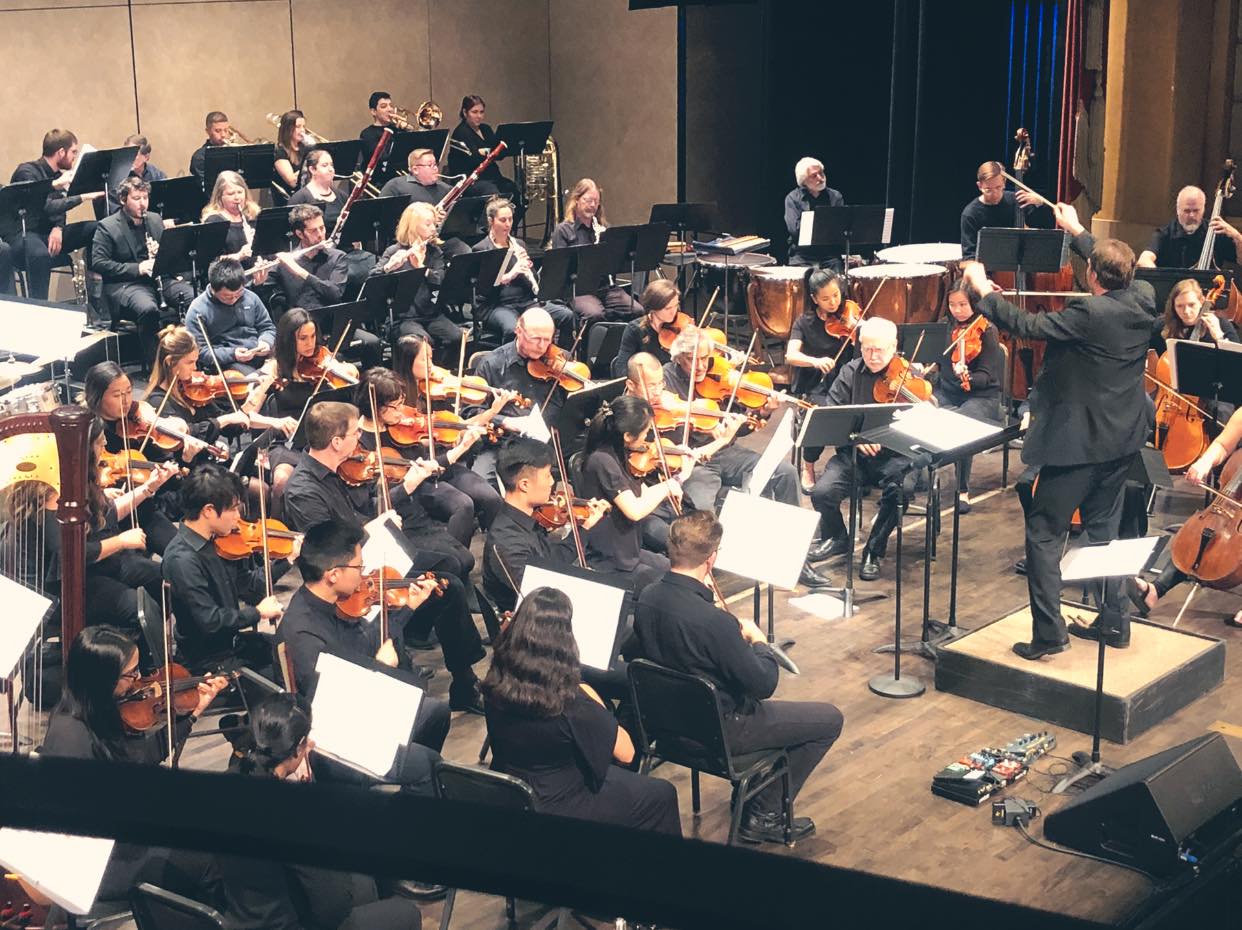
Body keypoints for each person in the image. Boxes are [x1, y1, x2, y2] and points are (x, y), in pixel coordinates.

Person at [962, 201, 1155, 658]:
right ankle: (1114, 624)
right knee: (1103, 533)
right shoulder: (1143, 296)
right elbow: (1110, 266)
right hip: (1122, 442)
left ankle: (1049, 634)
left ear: (1092, 278)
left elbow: (1025, 324)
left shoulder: (1089, 316)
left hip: (1078, 446)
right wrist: (1077, 231)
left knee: (1045, 534)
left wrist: (983, 293)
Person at [633, 510, 843, 845]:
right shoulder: (714, 622)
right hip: (720, 732)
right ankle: (763, 813)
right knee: (829, 720)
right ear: (711, 558)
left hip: (666, 728)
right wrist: (759, 642)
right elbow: (763, 685)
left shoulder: (647, 598)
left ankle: (758, 795)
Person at [279, 401, 487, 712]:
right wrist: (369, 529)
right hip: (344, 580)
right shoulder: (303, 490)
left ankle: (462, 679)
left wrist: (402, 489)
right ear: (336, 442)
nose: (360, 439)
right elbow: (326, 549)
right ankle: (408, 659)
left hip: (368, 560)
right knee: (447, 582)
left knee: (448, 580)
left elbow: (369, 507)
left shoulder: (342, 470)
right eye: (354, 433)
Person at [41, 626, 226, 902]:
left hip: (119, 834)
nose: (141, 680)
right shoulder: (73, 740)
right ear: (104, 679)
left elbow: (138, 757)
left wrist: (194, 712)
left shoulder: (95, 710)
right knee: (207, 859)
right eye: (132, 674)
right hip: (98, 863)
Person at [217, 692, 431, 928]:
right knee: (404, 912)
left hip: (244, 915)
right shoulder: (295, 813)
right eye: (306, 741)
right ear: (297, 749)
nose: (311, 745)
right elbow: (333, 908)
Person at [483, 586, 681, 835]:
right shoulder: (570, 703)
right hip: (562, 804)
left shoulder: (495, 682)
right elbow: (627, 753)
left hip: (512, 792)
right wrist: (584, 688)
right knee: (661, 794)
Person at [660, 331, 824, 588]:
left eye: (706, 358)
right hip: (692, 462)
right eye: (693, 360)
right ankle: (702, 580)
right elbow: (664, 425)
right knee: (704, 516)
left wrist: (762, 412)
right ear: (680, 357)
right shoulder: (667, 378)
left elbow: (744, 426)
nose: (702, 366)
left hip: (727, 454)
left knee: (786, 472)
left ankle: (796, 558)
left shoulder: (718, 376)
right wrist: (697, 424)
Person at [276, 518, 451, 753]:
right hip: (339, 729)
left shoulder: (333, 603)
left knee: (433, 710)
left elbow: (366, 641)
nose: (363, 575)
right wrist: (380, 669)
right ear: (334, 574)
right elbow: (332, 702)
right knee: (431, 722)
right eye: (359, 567)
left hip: (360, 704)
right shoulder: (305, 633)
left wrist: (408, 607)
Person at [807, 317, 917, 577]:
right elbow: (831, 415)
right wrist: (857, 439)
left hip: (895, 457)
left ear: (893, 347)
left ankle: (874, 550)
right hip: (854, 455)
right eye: (867, 348)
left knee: (900, 491)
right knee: (821, 493)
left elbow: (918, 426)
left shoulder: (909, 377)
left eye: (879, 350)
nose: (873, 356)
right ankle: (837, 537)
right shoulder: (850, 372)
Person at [162, 465, 288, 671]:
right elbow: (210, 621)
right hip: (210, 662)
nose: (238, 517)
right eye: (233, 508)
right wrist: (257, 613)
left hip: (233, 643)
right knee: (285, 681)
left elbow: (252, 586)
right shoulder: (182, 561)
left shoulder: (220, 542)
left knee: (291, 651)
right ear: (209, 511)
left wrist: (287, 559)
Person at [353, 366, 493, 550]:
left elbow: (426, 461)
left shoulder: (399, 425)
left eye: (402, 402)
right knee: (463, 505)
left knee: (487, 498)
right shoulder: (359, 440)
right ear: (377, 407)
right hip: (403, 492)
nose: (401, 411)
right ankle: (451, 554)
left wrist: (456, 444)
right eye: (395, 406)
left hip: (425, 476)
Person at [389, 336, 509, 539]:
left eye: (431, 358)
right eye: (424, 359)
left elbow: (459, 426)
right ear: (408, 361)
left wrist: (492, 412)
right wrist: (433, 437)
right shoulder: (394, 399)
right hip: (420, 473)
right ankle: (456, 558)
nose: (431, 365)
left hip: (447, 463)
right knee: (463, 506)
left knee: (491, 498)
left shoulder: (436, 392)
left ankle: (497, 555)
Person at [83, 360, 204, 553]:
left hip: (144, 508)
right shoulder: (88, 432)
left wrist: (184, 461)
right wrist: (101, 494)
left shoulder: (137, 426)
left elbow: (165, 472)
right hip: (108, 517)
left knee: (183, 552)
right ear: (97, 397)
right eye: (117, 395)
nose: (126, 400)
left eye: (129, 392)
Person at [483, 435, 612, 612]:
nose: (552, 482)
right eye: (547, 475)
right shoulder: (508, 543)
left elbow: (552, 560)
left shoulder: (528, 519)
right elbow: (540, 598)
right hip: (536, 622)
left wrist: (584, 528)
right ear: (524, 485)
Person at [575, 395, 685, 592]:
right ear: (627, 436)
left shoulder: (621, 454)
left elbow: (642, 495)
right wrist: (667, 486)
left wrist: (679, 477)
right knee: (676, 586)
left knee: (684, 572)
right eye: (645, 432)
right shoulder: (602, 461)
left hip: (629, 551)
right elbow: (634, 510)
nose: (648, 438)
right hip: (610, 560)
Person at [91, 176, 194, 364]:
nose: (142, 204)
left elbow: (169, 254)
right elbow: (99, 263)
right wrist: (137, 268)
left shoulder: (154, 219)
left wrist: (161, 254)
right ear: (123, 200)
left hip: (158, 279)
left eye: (145, 198)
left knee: (192, 297)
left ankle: (188, 356)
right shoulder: (107, 226)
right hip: (126, 284)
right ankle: (154, 366)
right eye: (136, 199)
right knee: (148, 309)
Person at [1, 129, 104, 300]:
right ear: (61, 152)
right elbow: (45, 207)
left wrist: (58, 227)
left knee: (97, 228)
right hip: (23, 234)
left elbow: (59, 209)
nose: (74, 157)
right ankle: (40, 305)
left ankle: (96, 288)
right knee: (40, 254)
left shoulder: (60, 176)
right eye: (73, 152)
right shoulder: (27, 172)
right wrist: (82, 197)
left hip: (49, 234)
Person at [931, 281, 1005, 513]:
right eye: (952, 304)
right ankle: (922, 478)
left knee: (960, 424)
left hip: (982, 397)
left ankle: (962, 489)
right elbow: (938, 364)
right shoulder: (944, 327)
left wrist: (968, 376)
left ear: (974, 303)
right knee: (919, 414)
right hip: (948, 393)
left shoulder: (987, 330)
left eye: (963, 304)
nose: (957, 310)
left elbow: (986, 377)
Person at [786, 268, 854, 490]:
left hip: (846, 383)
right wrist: (815, 361)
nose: (833, 302)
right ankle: (808, 466)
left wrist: (860, 331)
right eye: (826, 298)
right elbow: (791, 355)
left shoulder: (850, 315)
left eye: (836, 295)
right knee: (822, 413)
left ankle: (850, 466)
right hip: (817, 386)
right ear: (815, 299)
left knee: (858, 411)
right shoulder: (804, 322)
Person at [472, 197, 573, 343]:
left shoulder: (519, 244)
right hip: (497, 305)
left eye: (510, 219)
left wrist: (528, 269)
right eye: (503, 220)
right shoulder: (482, 249)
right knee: (512, 329)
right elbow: (484, 290)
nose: (508, 224)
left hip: (525, 302)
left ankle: (561, 358)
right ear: (491, 221)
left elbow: (534, 283)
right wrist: (511, 274)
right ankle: (512, 363)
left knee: (566, 315)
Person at [373, 201, 461, 357]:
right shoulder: (394, 251)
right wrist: (390, 267)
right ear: (413, 226)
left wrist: (421, 267)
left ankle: (442, 372)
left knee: (457, 337)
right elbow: (372, 281)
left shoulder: (434, 252)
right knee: (423, 343)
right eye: (428, 224)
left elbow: (441, 280)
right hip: (403, 318)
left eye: (434, 224)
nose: (434, 228)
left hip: (431, 314)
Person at [549, 178, 643, 323]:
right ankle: (590, 345)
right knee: (595, 314)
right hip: (578, 290)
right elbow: (560, 270)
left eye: (596, 201)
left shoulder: (602, 228)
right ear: (577, 200)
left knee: (637, 310)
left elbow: (614, 264)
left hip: (605, 287)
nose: (592, 205)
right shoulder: (563, 230)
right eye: (588, 200)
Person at [185, 257, 277, 375]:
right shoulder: (197, 310)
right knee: (257, 379)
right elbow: (201, 352)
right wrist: (233, 354)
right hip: (229, 361)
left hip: (258, 350)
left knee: (288, 364)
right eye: (227, 296)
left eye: (238, 294)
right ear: (213, 289)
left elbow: (267, 327)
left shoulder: (250, 297)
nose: (234, 299)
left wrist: (266, 341)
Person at [959, 160, 1048, 260]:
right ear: (979, 186)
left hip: (1024, 264)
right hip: (988, 271)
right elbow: (969, 255)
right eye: (988, 189)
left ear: (1004, 182)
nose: (995, 193)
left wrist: (1040, 203)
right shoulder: (970, 214)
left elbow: (1046, 224)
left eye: (998, 187)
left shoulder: (1017, 200)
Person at [1138, 185, 1242, 269]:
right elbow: (1144, 260)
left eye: (1196, 210)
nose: (1191, 215)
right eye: (1187, 211)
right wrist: (1160, 278)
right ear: (1178, 210)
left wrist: (1236, 236)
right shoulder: (1165, 233)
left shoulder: (1216, 231)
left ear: (1203, 209)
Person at [273, 204, 348, 312]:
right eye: (313, 231)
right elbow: (263, 292)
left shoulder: (337, 257)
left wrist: (302, 273)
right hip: (299, 324)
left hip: (328, 320)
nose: (320, 234)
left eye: (322, 228)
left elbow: (335, 294)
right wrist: (259, 281)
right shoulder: (287, 261)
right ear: (300, 234)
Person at [447, 94, 518, 200]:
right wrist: (489, 152)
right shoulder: (460, 132)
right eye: (474, 112)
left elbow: (498, 155)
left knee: (513, 190)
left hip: (491, 176)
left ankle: (510, 217)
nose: (479, 116)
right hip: (471, 180)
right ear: (465, 113)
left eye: (481, 112)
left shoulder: (486, 129)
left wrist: (492, 151)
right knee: (492, 193)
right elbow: (473, 158)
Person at [201, 170, 265, 276]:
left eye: (240, 192)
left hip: (257, 274)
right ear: (220, 197)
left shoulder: (253, 215)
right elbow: (212, 262)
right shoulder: (214, 221)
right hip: (230, 279)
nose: (237, 198)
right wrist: (239, 256)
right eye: (231, 194)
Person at [784, 157, 844, 267]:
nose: (820, 178)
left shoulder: (835, 196)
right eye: (814, 175)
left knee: (837, 280)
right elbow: (795, 230)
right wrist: (823, 222)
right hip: (802, 254)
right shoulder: (792, 198)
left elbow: (839, 228)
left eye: (821, 173)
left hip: (829, 254)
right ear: (803, 181)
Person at [615, 279, 684, 375]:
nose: (674, 312)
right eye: (668, 308)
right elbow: (621, 368)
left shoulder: (682, 325)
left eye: (676, 305)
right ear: (653, 308)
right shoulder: (635, 329)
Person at [272, 109, 313, 199]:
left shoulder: (305, 148)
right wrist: (311, 171)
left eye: (303, 126)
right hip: (291, 198)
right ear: (288, 129)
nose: (302, 130)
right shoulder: (280, 152)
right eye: (298, 126)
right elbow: (292, 182)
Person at [360, 91, 405, 168]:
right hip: (380, 176)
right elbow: (382, 157)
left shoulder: (398, 129)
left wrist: (406, 129)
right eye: (384, 106)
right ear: (373, 112)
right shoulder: (367, 134)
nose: (390, 109)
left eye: (391, 105)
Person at [190, 111, 232, 182]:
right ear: (208, 131)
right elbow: (207, 188)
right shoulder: (200, 157)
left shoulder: (234, 152)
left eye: (226, 130)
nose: (223, 135)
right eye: (218, 131)